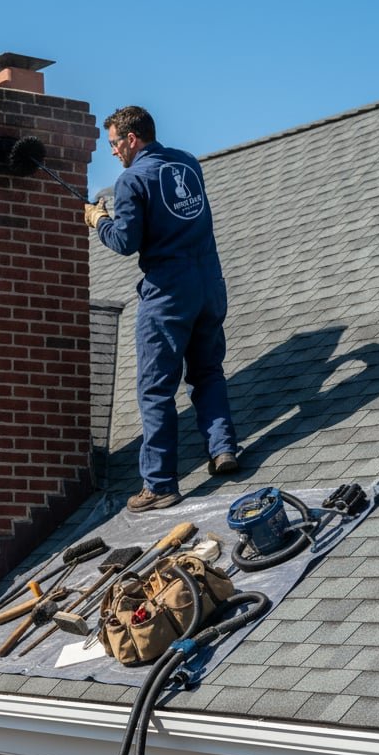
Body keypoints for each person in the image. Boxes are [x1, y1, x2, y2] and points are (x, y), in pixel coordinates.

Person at [85, 106, 238, 512]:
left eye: (115, 144)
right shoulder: (187, 163)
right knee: (207, 372)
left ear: (131, 139)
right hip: (209, 285)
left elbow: (125, 241)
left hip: (168, 294)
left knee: (155, 389)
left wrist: (99, 219)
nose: (113, 153)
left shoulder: (131, 179)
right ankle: (223, 449)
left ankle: (159, 484)